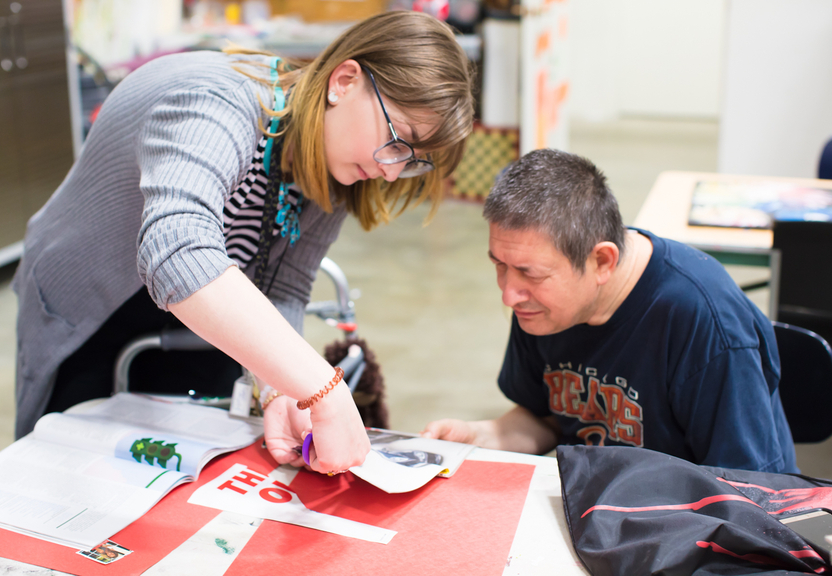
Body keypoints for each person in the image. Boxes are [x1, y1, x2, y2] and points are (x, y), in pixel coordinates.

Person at [13, 11, 475, 476]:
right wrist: (322, 389)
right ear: (344, 80)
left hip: (209, 311)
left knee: (179, 478)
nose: (392, 170)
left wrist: (277, 388)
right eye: (399, 140)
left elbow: (285, 288)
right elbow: (177, 249)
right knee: (73, 473)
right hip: (98, 306)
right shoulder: (220, 100)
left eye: (413, 161)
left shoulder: (337, 167)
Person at [422, 149, 798, 473]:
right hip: (601, 508)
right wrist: (482, 436)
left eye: (528, 273)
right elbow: (546, 418)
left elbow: (750, 491)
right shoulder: (540, 304)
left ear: (602, 261)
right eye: (499, 265)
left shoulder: (704, 322)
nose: (509, 294)